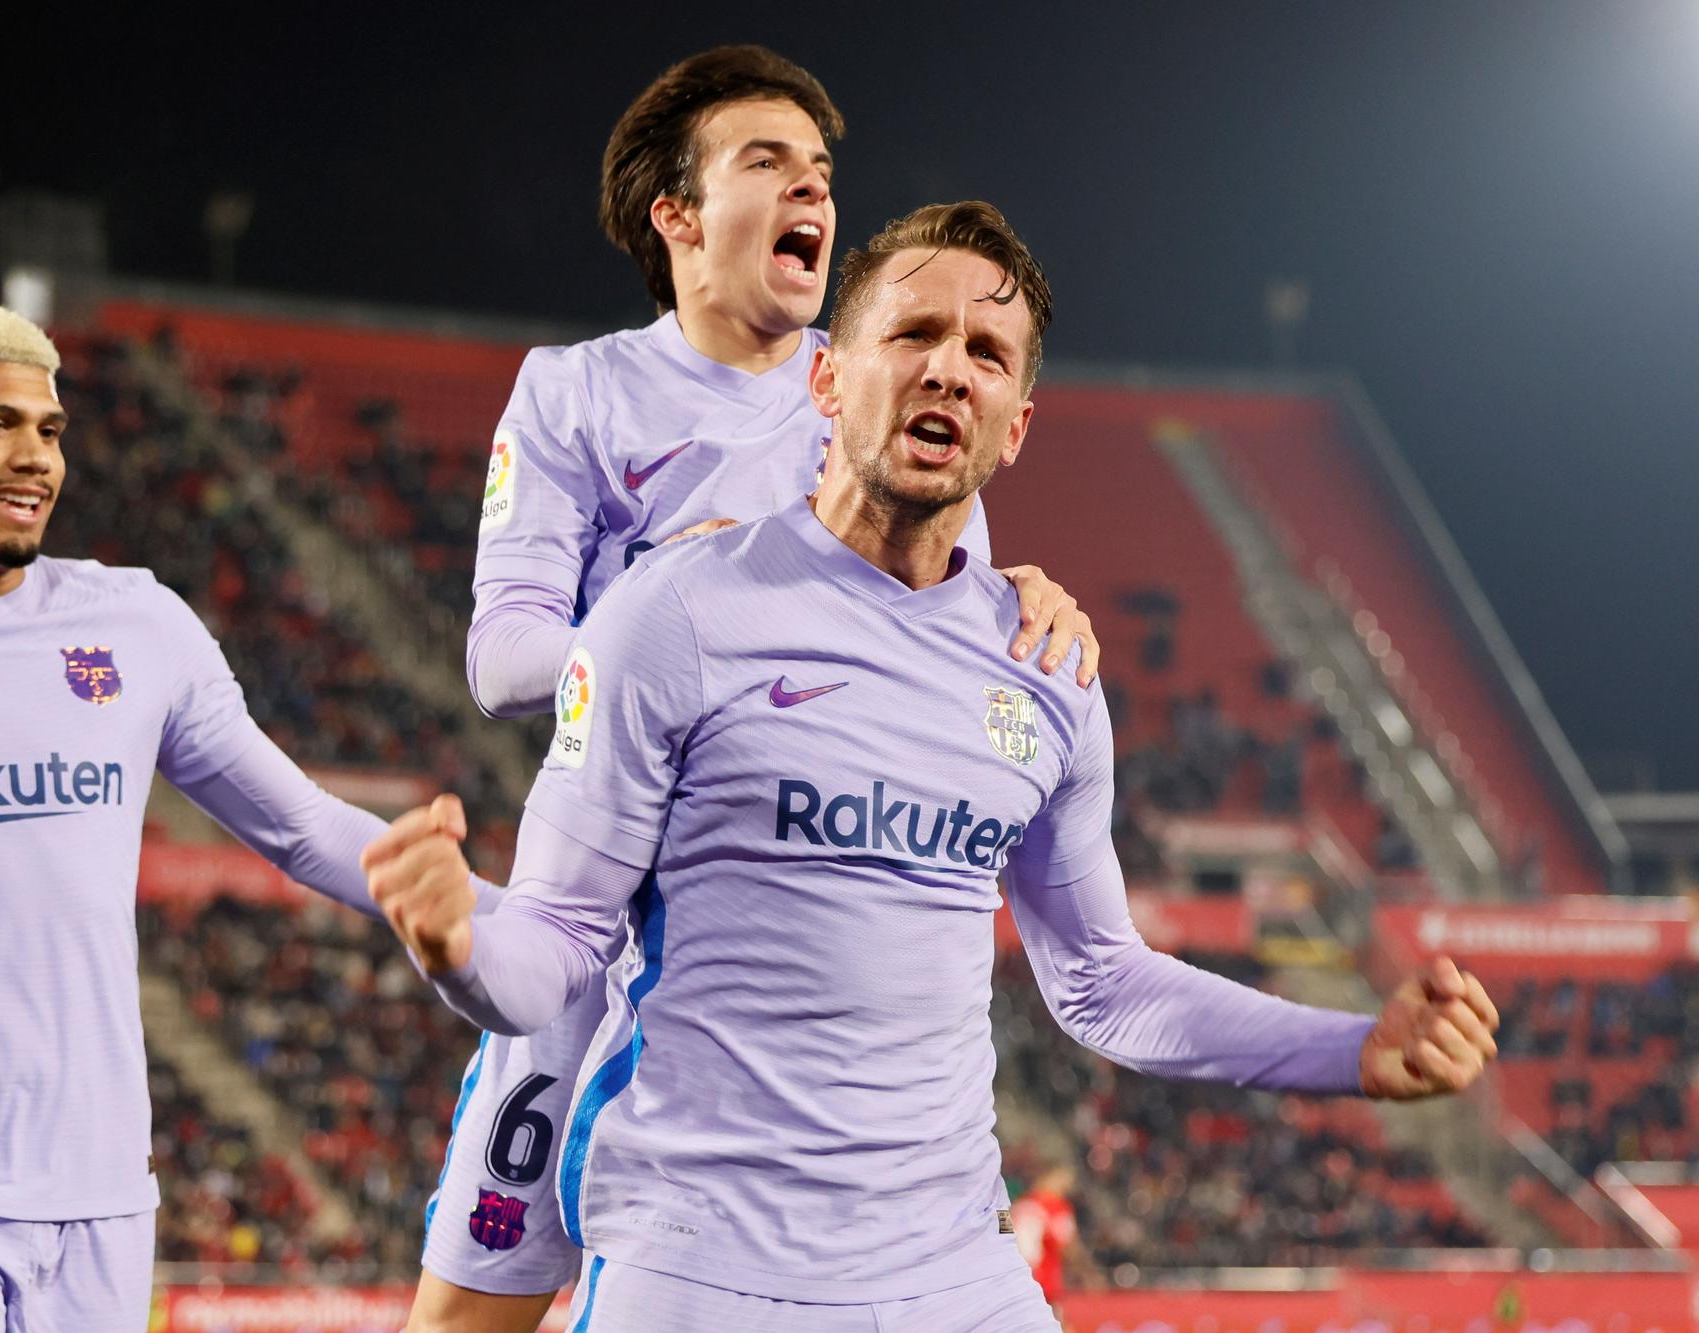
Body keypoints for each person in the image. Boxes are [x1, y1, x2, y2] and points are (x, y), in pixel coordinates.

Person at [369, 201, 1501, 1331]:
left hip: (956, 1277)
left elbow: (1101, 980)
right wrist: (457, 943)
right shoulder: (668, 616)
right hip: (704, 1272)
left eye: (985, 353)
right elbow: (558, 948)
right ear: (825, 383)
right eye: (912, 335)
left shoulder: (1046, 666)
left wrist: (1350, 1048)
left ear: (1013, 426)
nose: (949, 370)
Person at [427, 45, 1100, 1332]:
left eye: (822, 170)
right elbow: (500, 660)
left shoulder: (879, 379)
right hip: (596, 933)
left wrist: (1024, 594)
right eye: (767, 162)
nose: (812, 189)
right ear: (674, 217)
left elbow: (936, 614)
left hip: (766, 939)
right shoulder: (576, 393)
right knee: (469, 1312)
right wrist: (671, 596)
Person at [0, 304, 471, 1332]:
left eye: (49, 430)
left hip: (101, 1195)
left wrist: (507, 918)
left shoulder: (137, 624)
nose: (35, 458)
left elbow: (300, 827)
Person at [1010, 1166, 1080, 1315]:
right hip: (1045, 1282)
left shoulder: (1021, 1204)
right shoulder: (1055, 1206)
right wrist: (1088, 1274)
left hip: (1017, 1281)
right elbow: (1068, 1246)